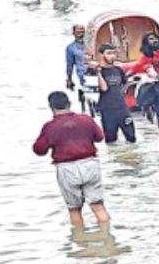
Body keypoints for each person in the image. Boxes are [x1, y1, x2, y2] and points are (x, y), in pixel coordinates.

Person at [31, 91, 109, 231]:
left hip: (66, 169)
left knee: (74, 210)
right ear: (69, 104)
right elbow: (99, 137)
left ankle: (80, 243)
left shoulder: (50, 127)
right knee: (98, 206)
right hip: (90, 164)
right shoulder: (86, 120)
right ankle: (107, 237)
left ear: (51, 107)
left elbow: (39, 150)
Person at [92, 44, 136, 144]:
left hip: (122, 108)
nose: (112, 56)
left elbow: (125, 85)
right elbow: (104, 88)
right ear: (101, 55)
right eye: (109, 53)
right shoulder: (97, 71)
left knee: (131, 137)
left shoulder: (118, 70)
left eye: (114, 53)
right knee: (111, 139)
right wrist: (98, 73)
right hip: (107, 110)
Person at [63, 25, 90, 89]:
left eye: (82, 32)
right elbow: (69, 65)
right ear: (73, 33)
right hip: (83, 74)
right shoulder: (71, 48)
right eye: (78, 32)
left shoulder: (92, 45)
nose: (81, 34)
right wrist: (69, 79)